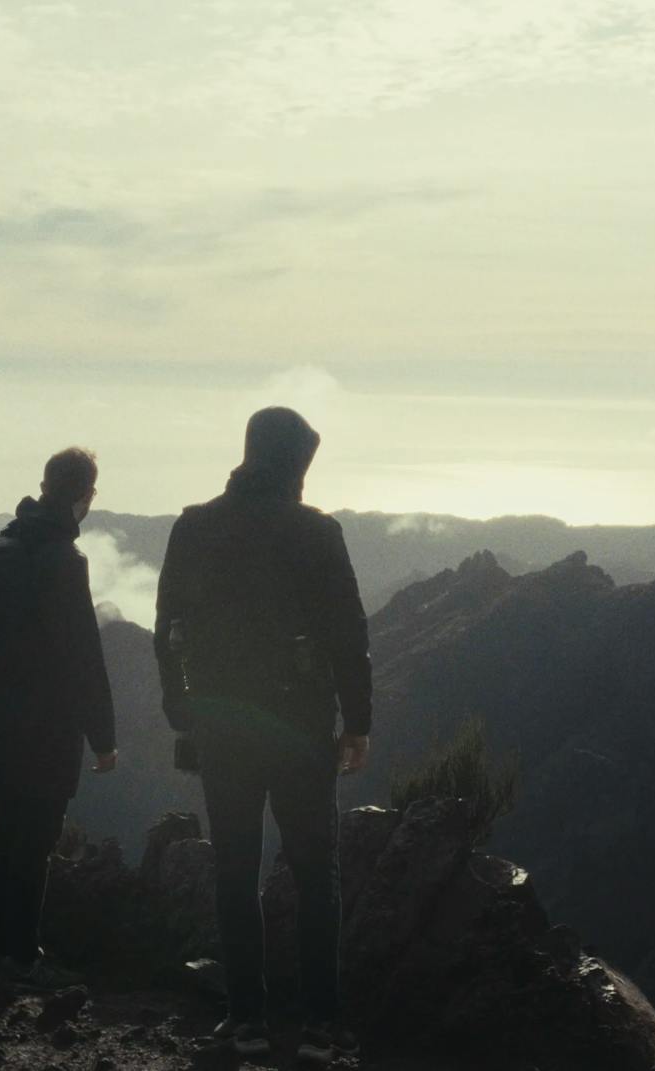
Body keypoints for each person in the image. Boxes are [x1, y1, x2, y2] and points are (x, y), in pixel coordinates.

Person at [154, 407, 372, 1064]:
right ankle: (320, 1028)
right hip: (301, 724)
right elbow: (347, 635)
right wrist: (357, 722)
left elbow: (167, 627)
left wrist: (180, 710)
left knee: (234, 869)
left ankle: (245, 1019)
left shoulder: (194, 526)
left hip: (221, 725)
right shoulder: (317, 531)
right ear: (292, 460)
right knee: (314, 875)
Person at [0, 446, 118, 986]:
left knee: (9, 835)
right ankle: (23, 957)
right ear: (83, 496)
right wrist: (104, 737)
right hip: (51, 723)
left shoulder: (0, 548)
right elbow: (85, 656)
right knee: (37, 839)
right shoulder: (64, 561)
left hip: (2, 716)